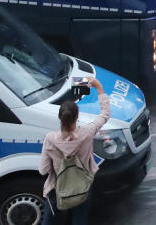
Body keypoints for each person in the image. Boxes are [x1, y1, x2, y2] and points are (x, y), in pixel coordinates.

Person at [39, 77, 110, 225]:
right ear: (77, 117)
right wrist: (98, 87)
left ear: (60, 118)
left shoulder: (50, 139)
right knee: (79, 219)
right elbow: (105, 114)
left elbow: (43, 170)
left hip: (57, 188)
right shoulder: (88, 132)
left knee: (50, 221)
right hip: (82, 187)